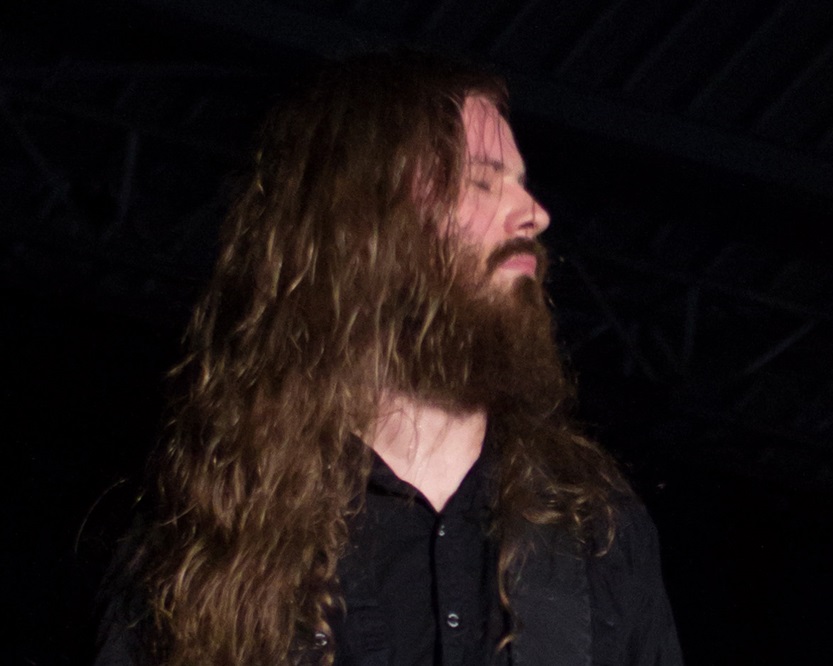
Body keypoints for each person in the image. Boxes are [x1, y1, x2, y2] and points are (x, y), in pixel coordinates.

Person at [94, 51, 682, 666]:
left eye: (519, 181)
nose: (534, 212)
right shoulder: (211, 530)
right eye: (482, 182)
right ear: (365, 226)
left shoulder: (595, 531)